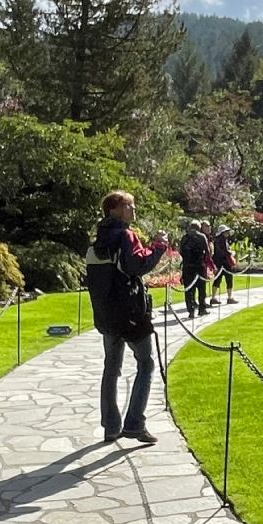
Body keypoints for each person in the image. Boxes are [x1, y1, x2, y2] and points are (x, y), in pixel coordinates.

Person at [86, 190, 168, 445]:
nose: (133, 209)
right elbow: (137, 266)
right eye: (129, 205)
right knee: (146, 363)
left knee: (111, 368)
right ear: (115, 209)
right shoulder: (125, 236)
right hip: (130, 314)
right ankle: (134, 423)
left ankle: (111, 426)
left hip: (105, 313)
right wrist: (158, 246)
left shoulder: (96, 237)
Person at [178, 219, 210, 318]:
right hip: (199, 265)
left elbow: (180, 251)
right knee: (201, 289)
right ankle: (202, 309)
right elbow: (207, 251)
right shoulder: (202, 237)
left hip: (187, 266)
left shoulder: (185, 238)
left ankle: (191, 310)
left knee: (189, 290)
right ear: (199, 227)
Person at [210, 223, 238, 305]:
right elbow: (225, 251)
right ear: (223, 232)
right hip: (224, 263)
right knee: (229, 279)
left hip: (218, 263)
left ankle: (213, 297)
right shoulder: (222, 240)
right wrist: (231, 253)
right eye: (226, 231)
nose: (227, 233)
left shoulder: (217, 240)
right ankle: (230, 297)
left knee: (217, 280)